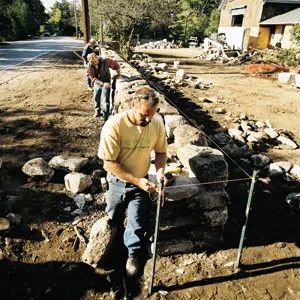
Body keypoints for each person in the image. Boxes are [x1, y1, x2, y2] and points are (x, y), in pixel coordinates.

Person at [98, 87, 167, 277]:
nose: (148, 120)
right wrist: (136, 180)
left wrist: (160, 172)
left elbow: (161, 152)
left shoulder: (156, 122)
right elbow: (109, 163)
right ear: (132, 105)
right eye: (144, 115)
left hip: (141, 182)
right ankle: (111, 249)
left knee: (137, 222)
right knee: (114, 218)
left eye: (151, 116)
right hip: (117, 182)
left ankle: (133, 255)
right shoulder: (114, 125)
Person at [87, 53, 121, 119]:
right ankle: (97, 111)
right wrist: (102, 83)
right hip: (98, 83)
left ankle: (105, 116)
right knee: (96, 97)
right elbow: (93, 78)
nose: (95, 63)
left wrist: (119, 75)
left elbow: (117, 66)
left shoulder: (106, 61)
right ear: (89, 61)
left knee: (105, 99)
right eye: (92, 62)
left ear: (97, 57)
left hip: (106, 82)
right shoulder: (89, 66)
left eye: (95, 61)